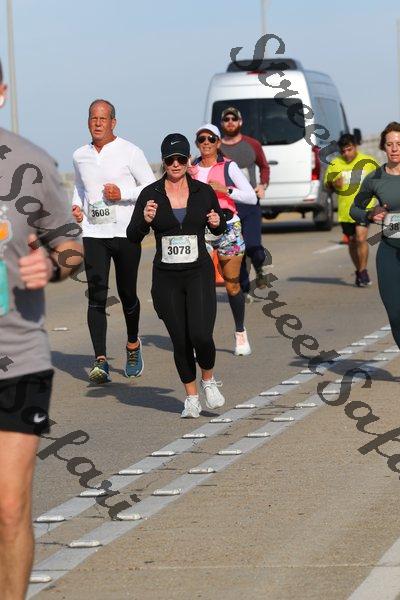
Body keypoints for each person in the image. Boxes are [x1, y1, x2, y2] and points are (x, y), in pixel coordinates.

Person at [0, 60, 83, 600]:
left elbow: (71, 246)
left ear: (1, 93)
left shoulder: (28, 164)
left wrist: (52, 266)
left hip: (17, 357)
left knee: (9, 507)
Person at [127, 134, 226, 418]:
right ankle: (191, 397)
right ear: (163, 161)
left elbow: (219, 225)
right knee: (180, 339)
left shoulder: (202, 192)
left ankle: (208, 380)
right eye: (170, 160)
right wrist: (144, 220)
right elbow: (132, 235)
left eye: (181, 159)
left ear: (188, 160)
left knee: (201, 335)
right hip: (167, 278)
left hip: (198, 273)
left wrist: (217, 222)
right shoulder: (151, 194)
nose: (175, 164)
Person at [72, 99, 155, 383]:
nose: (97, 123)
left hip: (125, 233)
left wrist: (123, 194)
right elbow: (80, 186)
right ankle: (100, 360)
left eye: (103, 118)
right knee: (96, 295)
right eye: (93, 118)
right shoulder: (80, 155)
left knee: (127, 293)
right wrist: (76, 206)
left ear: (113, 122)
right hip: (94, 233)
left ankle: (132, 344)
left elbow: (150, 186)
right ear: (88, 121)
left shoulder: (130, 151)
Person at [189, 124, 257, 356]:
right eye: (201, 139)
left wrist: (225, 190)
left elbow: (251, 197)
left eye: (211, 139)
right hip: (202, 230)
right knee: (203, 287)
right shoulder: (192, 169)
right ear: (197, 143)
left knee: (232, 284)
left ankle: (240, 332)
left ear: (218, 142)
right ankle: (203, 339)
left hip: (229, 228)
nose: (206, 143)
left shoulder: (229, 166)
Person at [350, 121, 400, 346]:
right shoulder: (375, 178)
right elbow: (354, 209)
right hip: (389, 249)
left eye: (399, 144)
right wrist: (370, 214)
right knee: (395, 314)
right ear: (383, 147)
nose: (395, 149)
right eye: (390, 144)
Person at [220, 106, 270, 298]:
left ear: (240, 122)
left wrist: (263, 185)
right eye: (226, 119)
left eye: (234, 119)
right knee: (236, 250)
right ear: (222, 124)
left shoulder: (252, 144)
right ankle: (244, 289)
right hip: (229, 205)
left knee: (253, 246)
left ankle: (260, 268)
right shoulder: (217, 147)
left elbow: (264, 167)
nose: (230, 122)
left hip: (250, 204)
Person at [324, 133, 378, 286]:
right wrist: (333, 184)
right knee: (353, 241)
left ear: (355, 147)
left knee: (361, 238)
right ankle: (359, 271)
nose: (346, 154)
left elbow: (380, 182)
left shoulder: (368, 162)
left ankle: (363, 271)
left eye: (349, 149)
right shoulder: (335, 164)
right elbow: (326, 185)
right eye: (343, 151)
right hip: (345, 211)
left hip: (364, 208)